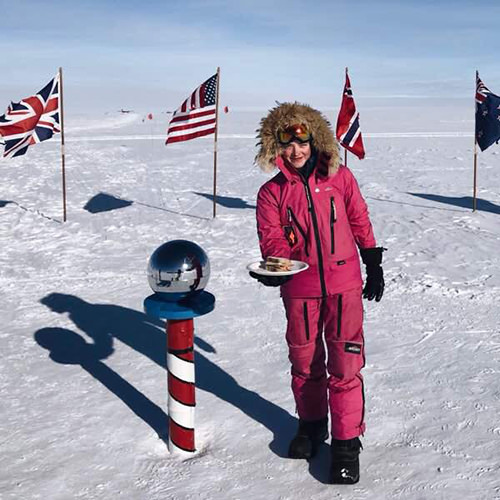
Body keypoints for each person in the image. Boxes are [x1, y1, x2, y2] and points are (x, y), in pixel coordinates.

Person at [249, 102, 385, 485]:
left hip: (344, 287)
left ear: (315, 139)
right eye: (287, 144)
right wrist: (275, 269)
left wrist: (372, 260)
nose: (296, 151)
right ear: (275, 147)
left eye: (303, 141)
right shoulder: (271, 193)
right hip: (301, 289)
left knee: (345, 364)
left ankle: (345, 442)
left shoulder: (340, 179)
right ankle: (311, 426)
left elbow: (358, 216)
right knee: (306, 363)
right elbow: (272, 238)